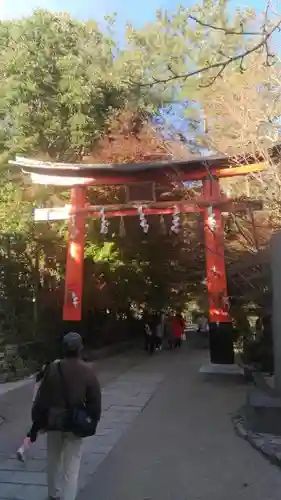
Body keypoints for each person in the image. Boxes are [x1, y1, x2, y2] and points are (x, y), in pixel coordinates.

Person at [32, 332, 101, 500]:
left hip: (54, 421)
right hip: (75, 423)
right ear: (80, 349)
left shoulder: (53, 368)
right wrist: (91, 422)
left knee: (53, 461)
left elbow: (42, 397)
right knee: (72, 467)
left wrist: (38, 422)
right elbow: (95, 403)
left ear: (63, 348)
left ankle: (53, 494)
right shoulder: (88, 372)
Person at [16, 361, 52, 462]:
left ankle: (22, 449)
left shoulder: (38, 380)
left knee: (34, 431)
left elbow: (34, 398)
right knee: (54, 430)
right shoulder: (49, 381)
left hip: (36, 409)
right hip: (46, 410)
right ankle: (56, 455)